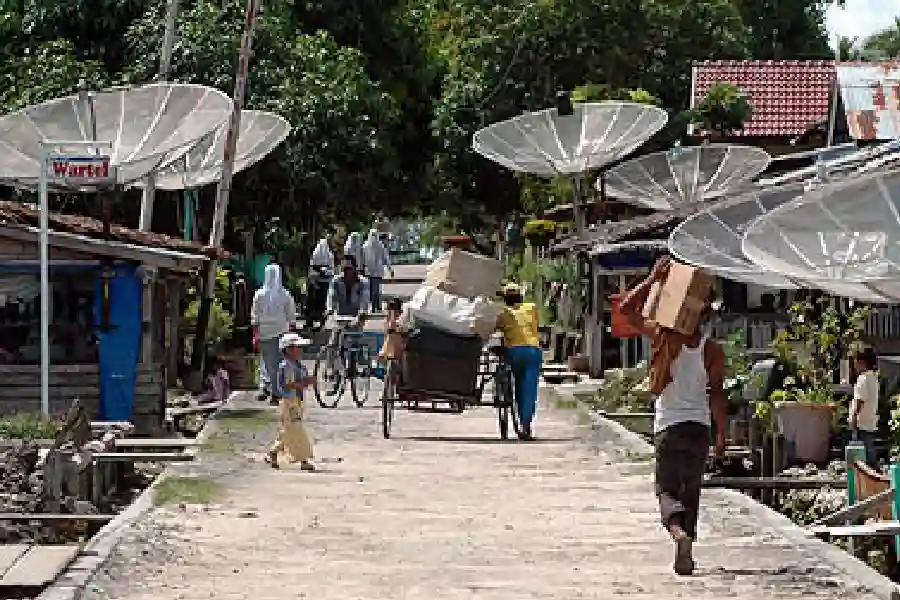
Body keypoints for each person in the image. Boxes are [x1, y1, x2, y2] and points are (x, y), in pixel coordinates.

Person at [617, 257, 726, 577]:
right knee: (690, 491)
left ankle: (678, 535)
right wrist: (722, 435)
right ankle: (687, 549)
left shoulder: (663, 339)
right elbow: (718, 396)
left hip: (669, 427)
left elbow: (626, 310)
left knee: (666, 490)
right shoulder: (712, 350)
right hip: (699, 429)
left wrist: (652, 279)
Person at [495, 283, 542, 441]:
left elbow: (496, 330)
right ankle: (525, 425)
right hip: (533, 350)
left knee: (517, 386)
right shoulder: (532, 307)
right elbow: (535, 326)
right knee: (529, 389)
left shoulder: (502, 312)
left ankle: (520, 418)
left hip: (514, 351)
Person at [266, 333, 315, 471]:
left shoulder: (298, 366)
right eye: (296, 348)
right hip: (289, 401)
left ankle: (273, 451)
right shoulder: (285, 366)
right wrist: (302, 383)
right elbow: (286, 385)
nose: (299, 351)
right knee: (297, 430)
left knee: (288, 430)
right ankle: (303, 459)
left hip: (298, 401)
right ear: (288, 350)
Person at [251, 264, 296, 403]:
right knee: (280, 364)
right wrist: (292, 329)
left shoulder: (259, 294)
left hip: (265, 334)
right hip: (282, 332)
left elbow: (255, 317)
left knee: (269, 364)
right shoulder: (285, 294)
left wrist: (256, 334)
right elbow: (291, 314)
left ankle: (272, 390)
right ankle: (276, 392)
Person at [851, 346, 879, 466]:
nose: (854, 365)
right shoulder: (873, 378)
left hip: (861, 424)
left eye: (855, 362)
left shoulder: (863, 379)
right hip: (870, 422)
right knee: (869, 455)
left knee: (863, 461)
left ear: (861, 362)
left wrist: (853, 419)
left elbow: (859, 401)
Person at [363, 229, 394, 312]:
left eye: (375, 235)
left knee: (377, 289)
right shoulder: (366, 246)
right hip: (370, 271)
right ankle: (374, 306)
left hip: (377, 271)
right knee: (373, 290)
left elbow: (385, 257)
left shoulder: (379, 245)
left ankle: (377, 306)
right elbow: (363, 259)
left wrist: (390, 268)